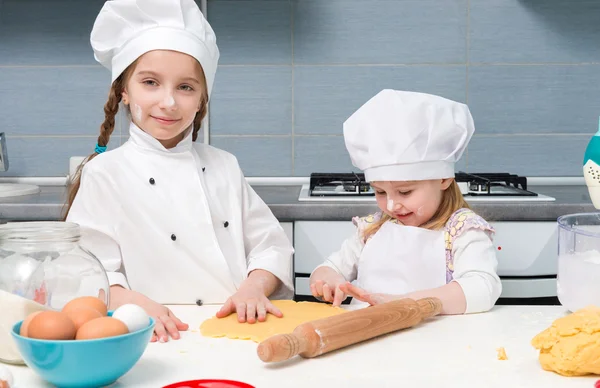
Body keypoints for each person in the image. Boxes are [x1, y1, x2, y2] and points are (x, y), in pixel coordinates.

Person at [65, 0, 293, 342]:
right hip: (155, 334)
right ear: (124, 91)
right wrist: (134, 303)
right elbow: (89, 272)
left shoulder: (224, 165)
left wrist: (253, 288)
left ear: (202, 99)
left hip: (235, 329)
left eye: (185, 87)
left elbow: (270, 247)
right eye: (151, 82)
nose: (169, 102)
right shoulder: (106, 174)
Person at [309, 90, 502, 315]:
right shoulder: (372, 228)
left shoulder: (462, 231)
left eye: (405, 192)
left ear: (443, 179)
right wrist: (329, 281)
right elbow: (327, 268)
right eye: (380, 192)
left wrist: (402, 303)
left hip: (437, 341)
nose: (391, 206)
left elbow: (482, 289)